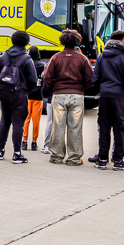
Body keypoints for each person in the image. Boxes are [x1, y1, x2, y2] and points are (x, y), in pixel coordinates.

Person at [42, 29, 93, 166]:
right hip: (77, 96)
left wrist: (55, 87)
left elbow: (46, 77)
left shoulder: (56, 57)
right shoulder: (82, 59)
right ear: (77, 42)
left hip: (59, 95)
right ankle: (74, 158)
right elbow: (90, 78)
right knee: (75, 127)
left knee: (57, 126)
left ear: (62, 41)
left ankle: (56, 156)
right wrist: (81, 88)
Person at [89, 30, 124, 171]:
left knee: (104, 127)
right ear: (120, 41)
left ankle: (102, 159)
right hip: (119, 97)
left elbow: (95, 78)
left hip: (104, 96)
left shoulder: (102, 56)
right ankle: (118, 160)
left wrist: (103, 88)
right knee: (120, 128)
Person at [0, 30, 38, 163]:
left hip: (4, 93)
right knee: (18, 123)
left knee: (4, 122)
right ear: (26, 43)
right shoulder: (27, 59)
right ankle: (17, 153)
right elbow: (33, 80)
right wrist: (25, 90)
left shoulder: (4, 57)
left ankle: (0, 150)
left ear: (12, 40)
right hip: (19, 94)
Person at [23, 46, 46, 151]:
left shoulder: (27, 64)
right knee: (36, 120)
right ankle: (34, 142)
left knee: (26, 119)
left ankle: (24, 142)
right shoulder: (42, 65)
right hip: (38, 96)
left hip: (27, 95)